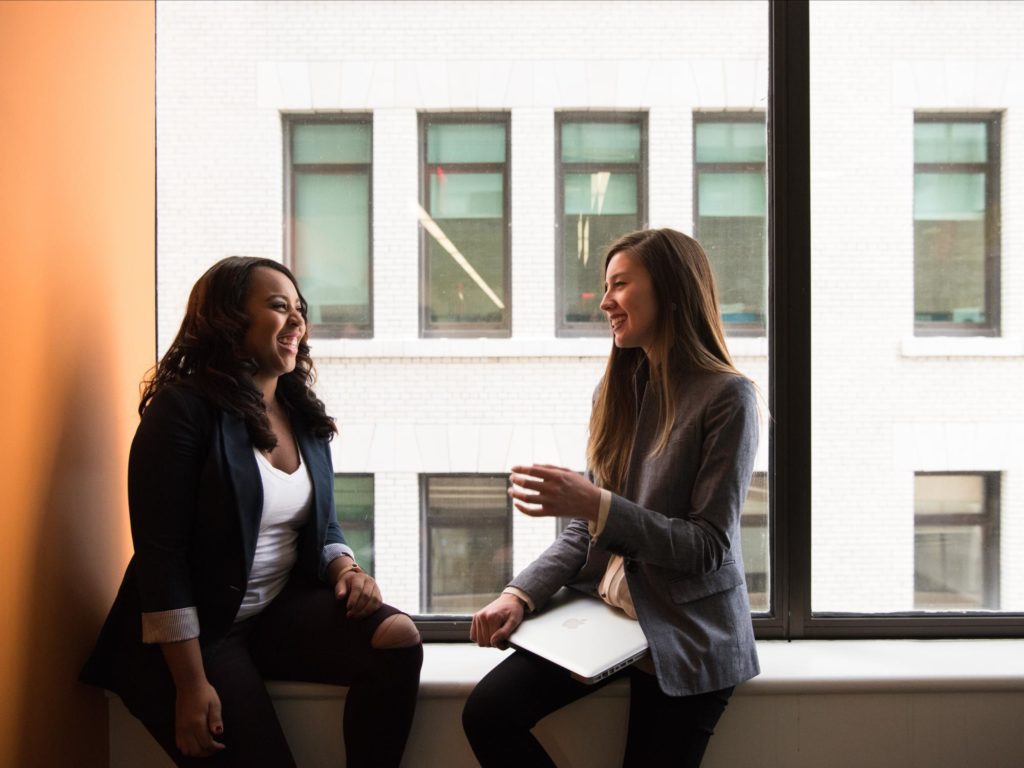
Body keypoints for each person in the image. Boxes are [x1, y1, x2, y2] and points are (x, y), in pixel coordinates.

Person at [80, 257, 422, 767]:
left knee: (398, 639)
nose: (297, 322)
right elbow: (162, 558)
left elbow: (320, 522)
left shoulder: (300, 412)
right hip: (194, 638)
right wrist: (191, 685)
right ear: (228, 318)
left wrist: (345, 567)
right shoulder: (181, 411)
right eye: (279, 307)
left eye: (300, 311)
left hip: (268, 613)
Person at [462, 228, 760, 768]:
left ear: (671, 291)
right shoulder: (617, 390)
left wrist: (595, 505)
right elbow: (586, 529)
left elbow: (708, 546)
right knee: (487, 713)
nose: (604, 302)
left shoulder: (727, 396)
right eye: (606, 287)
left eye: (620, 285)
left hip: (687, 631)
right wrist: (519, 595)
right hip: (611, 616)